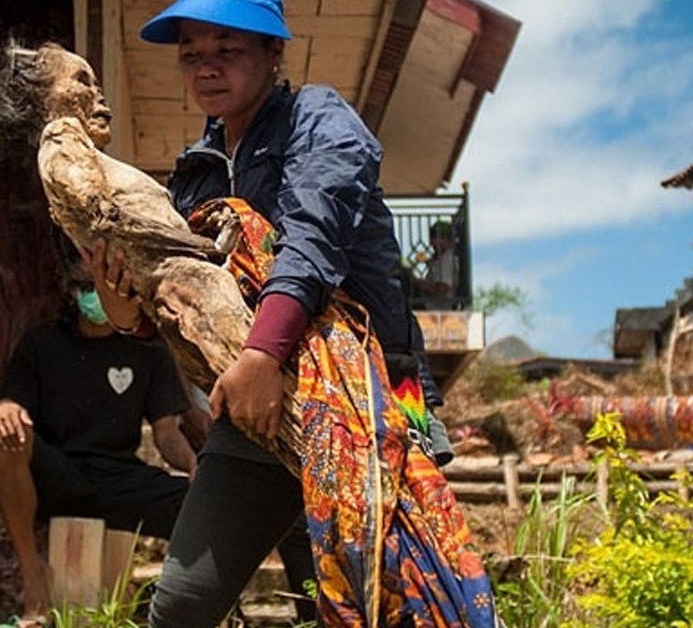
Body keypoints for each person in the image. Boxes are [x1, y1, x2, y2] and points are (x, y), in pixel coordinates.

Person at [84, 1, 492, 625]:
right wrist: (123, 310)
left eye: (227, 49)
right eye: (191, 54)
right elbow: (182, 298)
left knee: (384, 600)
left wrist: (263, 353)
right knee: (182, 603)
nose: (206, 67)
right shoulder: (195, 173)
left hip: (372, 398)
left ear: (273, 53)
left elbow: (312, 239)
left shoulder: (320, 120)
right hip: (255, 403)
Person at [0, 42, 317, 625]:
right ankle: (38, 593)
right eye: (80, 81)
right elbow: (112, 219)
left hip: (127, 470)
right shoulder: (62, 148)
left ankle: (307, 599)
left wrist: (198, 465)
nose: (98, 96)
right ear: (45, 100)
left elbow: (167, 429)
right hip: (66, 469)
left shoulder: (141, 336)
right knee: (303, 447)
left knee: (281, 465)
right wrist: (205, 249)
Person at [0, 245, 198, 628]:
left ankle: (181, 605)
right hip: (58, 475)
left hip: (120, 478)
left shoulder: (149, 350)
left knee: (204, 508)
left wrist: (194, 466)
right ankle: (34, 582)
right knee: (5, 439)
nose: (95, 296)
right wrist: (6, 410)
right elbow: (10, 402)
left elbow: (167, 434)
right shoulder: (41, 344)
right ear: (71, 291)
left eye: (102, 287)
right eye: (86, 287)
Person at [413, 220, 458, 299]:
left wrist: (416, 282)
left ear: (447, 239)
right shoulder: (439, 259)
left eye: (435, 237)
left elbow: (444, 289)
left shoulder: (448, 259)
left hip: (439, 304)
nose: (432, 243)